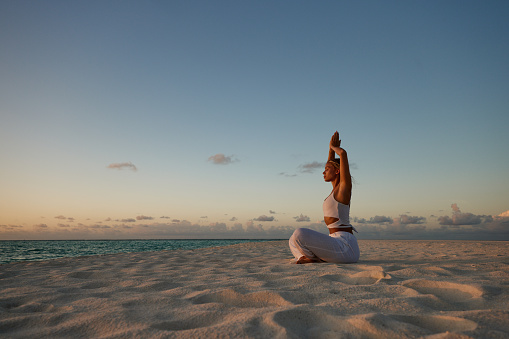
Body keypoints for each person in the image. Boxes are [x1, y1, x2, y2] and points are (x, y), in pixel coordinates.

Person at [289, 131, 360, 264]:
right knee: (292, 239)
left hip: (345, 246)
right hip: (334, 240)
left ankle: (313, 258)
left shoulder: (343, 189)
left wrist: (335, 149)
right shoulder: (334, 190)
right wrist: (330, 149)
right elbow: (330, 163)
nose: (323, 171)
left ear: (337, 171)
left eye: (327, 169)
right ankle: (305, 257)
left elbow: (343, 154)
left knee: (299, 233)